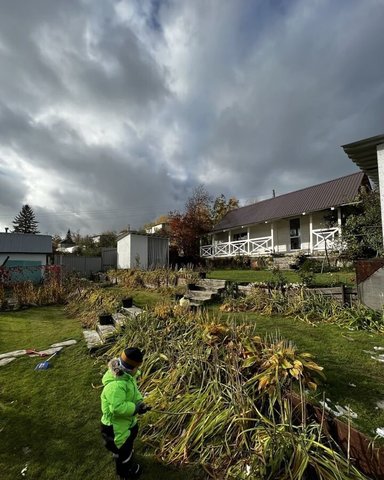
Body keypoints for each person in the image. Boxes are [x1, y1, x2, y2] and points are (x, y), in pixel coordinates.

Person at [100, 347, 151, 480]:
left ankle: (125, 452)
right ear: (131, 368)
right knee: (123, 450)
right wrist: (135, 408)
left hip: (126, 422)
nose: (138, 371)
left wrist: (140, 403)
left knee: (131, 436)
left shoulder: (127, 377)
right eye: (137, 368)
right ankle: (126, 473)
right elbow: (117, 408)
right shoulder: (116, 386)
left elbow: (134, 392)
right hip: (115, 427)